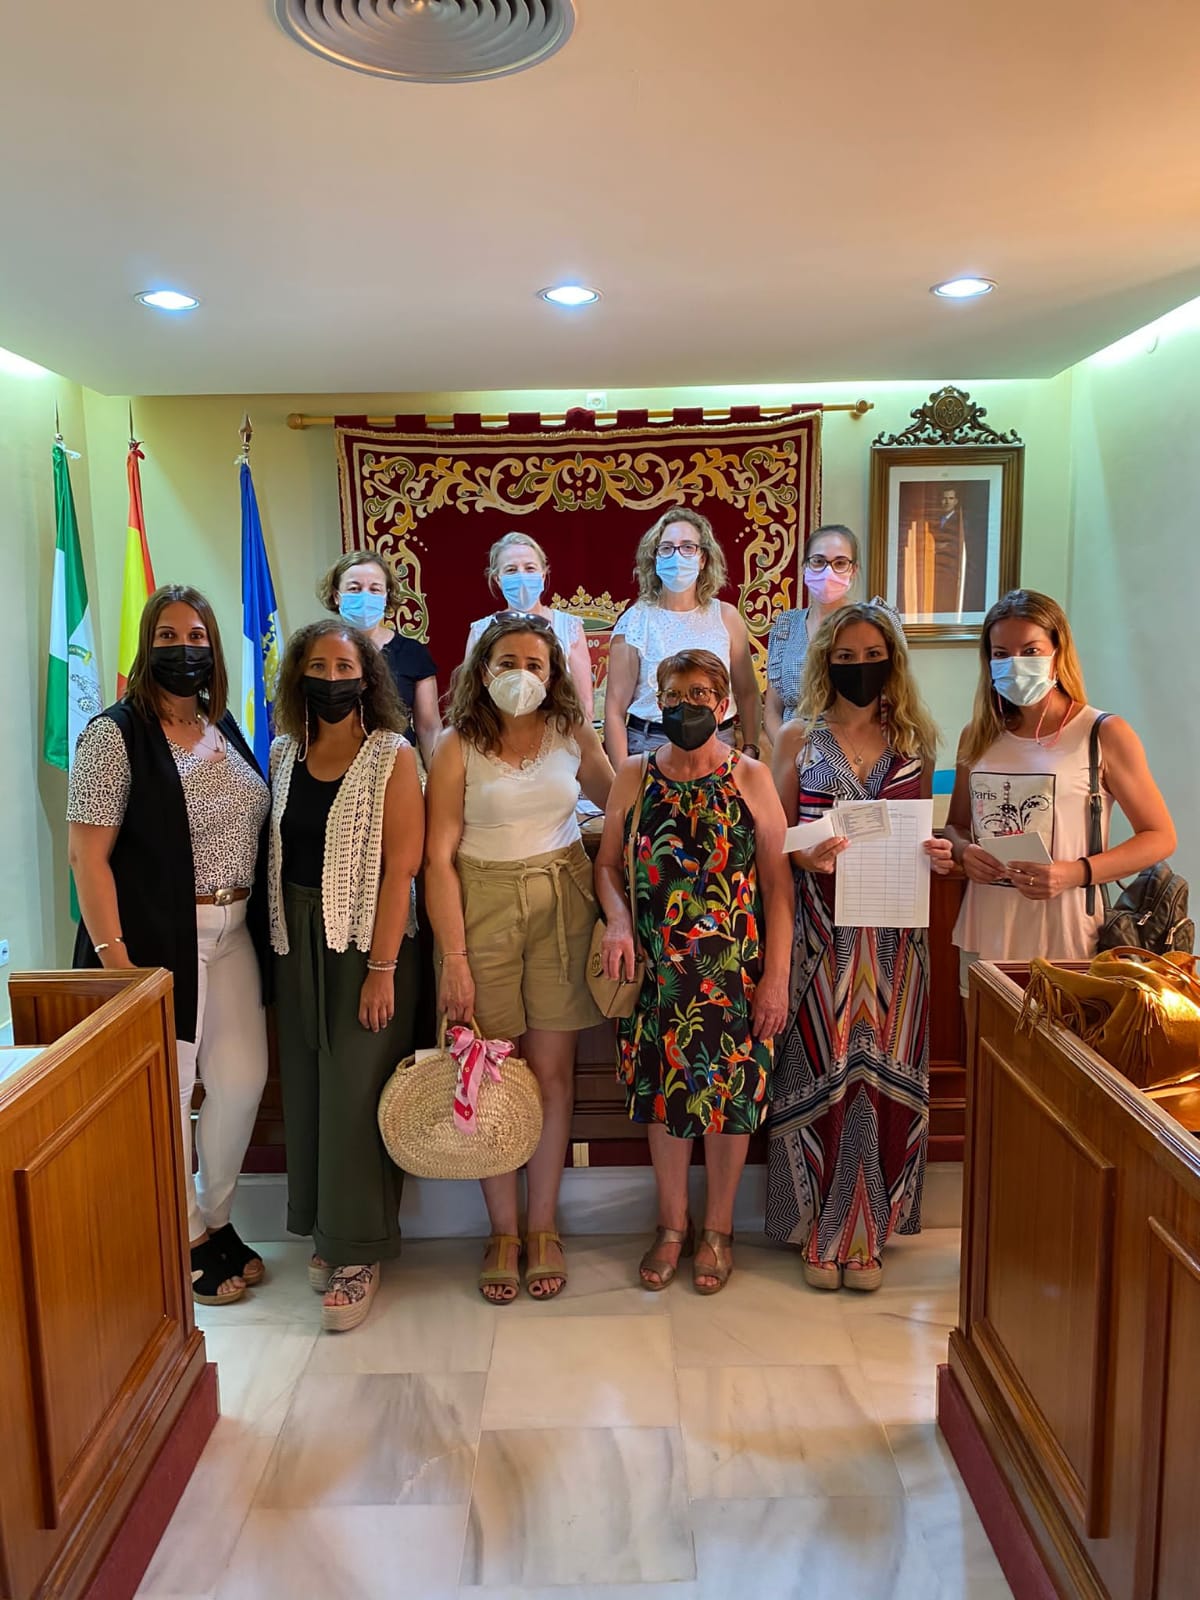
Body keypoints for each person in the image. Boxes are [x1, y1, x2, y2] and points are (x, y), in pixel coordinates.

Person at [67, 585, 270, 1307]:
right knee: (168, 1093)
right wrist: (117, 963)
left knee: (241, 1081)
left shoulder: (222, 725)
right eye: (168, 636)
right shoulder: (113, 735)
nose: (184, 648)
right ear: (146, 645)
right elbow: (87, 856)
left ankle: (213, 1215)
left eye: (196, 636)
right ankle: (179, 1236)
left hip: (234, 932)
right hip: (157, 939)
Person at [425, 610, 614, 1304]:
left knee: (554, 1075)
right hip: (482, 909)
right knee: (490, 1072)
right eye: (508, 662)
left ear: (553, 673)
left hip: (562, 900)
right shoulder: (456, 744)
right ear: (483, 670)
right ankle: (502, 1232)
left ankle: (543, 1226)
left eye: (536, 664)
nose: (522, 675)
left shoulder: (572, 731)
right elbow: (437, 860)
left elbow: (621, 804)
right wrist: (455, 958)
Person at [766, 601, 953, 1291]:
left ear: (892, 660)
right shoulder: (798, 737)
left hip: (896, 940)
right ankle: (820, 1230)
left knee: (880, 1080)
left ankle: (868, 1232)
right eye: (845, 657)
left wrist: (938, 852)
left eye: (872, 655)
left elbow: (930, 834)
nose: (859, 667)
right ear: (825, 663)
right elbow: (775, 840)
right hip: (820, 936)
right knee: (821, 1073)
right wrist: (804, 856)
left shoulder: (915, 741)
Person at [596, 649, 792, 1295]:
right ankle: (672, 1226)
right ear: (658, 701)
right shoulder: (633, 775)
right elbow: (606, 865)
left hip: (734, 973)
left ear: (724, 704)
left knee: (730, 1100)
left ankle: (718, 1230)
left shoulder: (751, 777)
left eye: (702, 694)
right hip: (657, 973)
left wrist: (776, 978)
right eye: (675, 695)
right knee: (664, 1098)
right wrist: (618, 920)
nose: (688, 706)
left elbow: (777, 887)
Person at [267, 620, 425, 1332]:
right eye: (318, 666)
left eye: (344, 667)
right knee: (307, 1086)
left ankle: (360, 1251)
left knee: (355, 1092)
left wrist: (381, 970)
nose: (331, 679)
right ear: (298, 675)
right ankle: (325, 1227)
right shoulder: (283, 753)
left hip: (366, 944)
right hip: (294, 940)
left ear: (368, 679)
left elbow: (402, 869)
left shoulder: (391, 755)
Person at [945, 588, 1175, 971]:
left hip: (1069, 941)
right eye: (1001, 654)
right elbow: (956, 825)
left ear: (1058, 653)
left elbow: (1160, 836)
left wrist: (1074, 873)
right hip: (985, 934)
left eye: (1030, 651)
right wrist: (964, 852)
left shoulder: (1102, 733)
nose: (1015, 664)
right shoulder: (977, 735)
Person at [604, 509, 762, 764]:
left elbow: (748, 693)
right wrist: (623, 774)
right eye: (667, 548)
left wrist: (751, 748)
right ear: (655, 558)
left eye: (688, 547)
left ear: (702, 558)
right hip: (652, 744)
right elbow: (614, 709)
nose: (677, 556)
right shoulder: (634, 621)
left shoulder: (727, 617)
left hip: (718, 742)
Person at [318, 551, 441, 770]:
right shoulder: (316, 650)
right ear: (337, 596)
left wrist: (437, 780)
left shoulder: (412, 652)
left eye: (374, 589)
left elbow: (429, 728)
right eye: (354, 588)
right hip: (335, 766)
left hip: (400, 766)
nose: (365, 596)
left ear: (386, 595)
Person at [465, 532, 594, 717]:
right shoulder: (481, 630)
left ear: (543, 575)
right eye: (511, 570)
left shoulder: (568, 626)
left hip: (557, 728)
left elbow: (584, 703)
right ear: (498, 579)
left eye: (530, 568)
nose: (522, 576)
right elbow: (471, 697)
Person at [764, 524, 861, 745]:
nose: (828, 572)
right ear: (805, 567)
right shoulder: (786, 626)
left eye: (840, 563)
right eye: (818, 561)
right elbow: (772, 710)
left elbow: (892, 702)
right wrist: (789, 755)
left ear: (853, 570)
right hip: (793, 753)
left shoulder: (872, 625)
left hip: (856, 753)